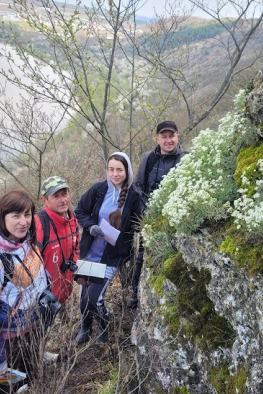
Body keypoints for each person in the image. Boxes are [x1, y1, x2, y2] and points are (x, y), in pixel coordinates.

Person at [0, 189, 51, 389]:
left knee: (30, 377)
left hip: (30, 325)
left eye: (27, 215)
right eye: (16, 216)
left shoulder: (23, 241)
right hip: (11, 338)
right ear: (2, 217)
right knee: (12, 385)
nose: (23, 222)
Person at [74, 152, 145, 344]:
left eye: (119, 170)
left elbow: (141, 223)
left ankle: (104, 326)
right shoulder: (98, 190)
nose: (115, 174)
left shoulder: (134, 196)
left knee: (93, 299)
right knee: (83, 300)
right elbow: (79, 211)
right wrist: (90, 226)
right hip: (90, 253)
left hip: (112, 256)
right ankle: (86, 327)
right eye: (111, 169)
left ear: (127, 171)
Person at [128, 120, 187, 307]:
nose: (168, 140)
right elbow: (138, 186)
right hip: (150, 217)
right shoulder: (148, 159)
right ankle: (135, 295)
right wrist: (146, 211)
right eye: (164, 137)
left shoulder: (186, 158)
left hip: (175, 219)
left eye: (172, 136)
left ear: (178, 136)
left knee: (172, 259)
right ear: (157, 139)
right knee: (142, 256)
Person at [35, 176, 80, 304]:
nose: (63, 200)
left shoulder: (72, 220)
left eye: (64, 194)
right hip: (44, 299)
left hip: (65, 291)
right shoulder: (39, 224)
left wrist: (74, 270)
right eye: (56, 196)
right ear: (44, 200)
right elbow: (31, 264)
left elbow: (76, 248)